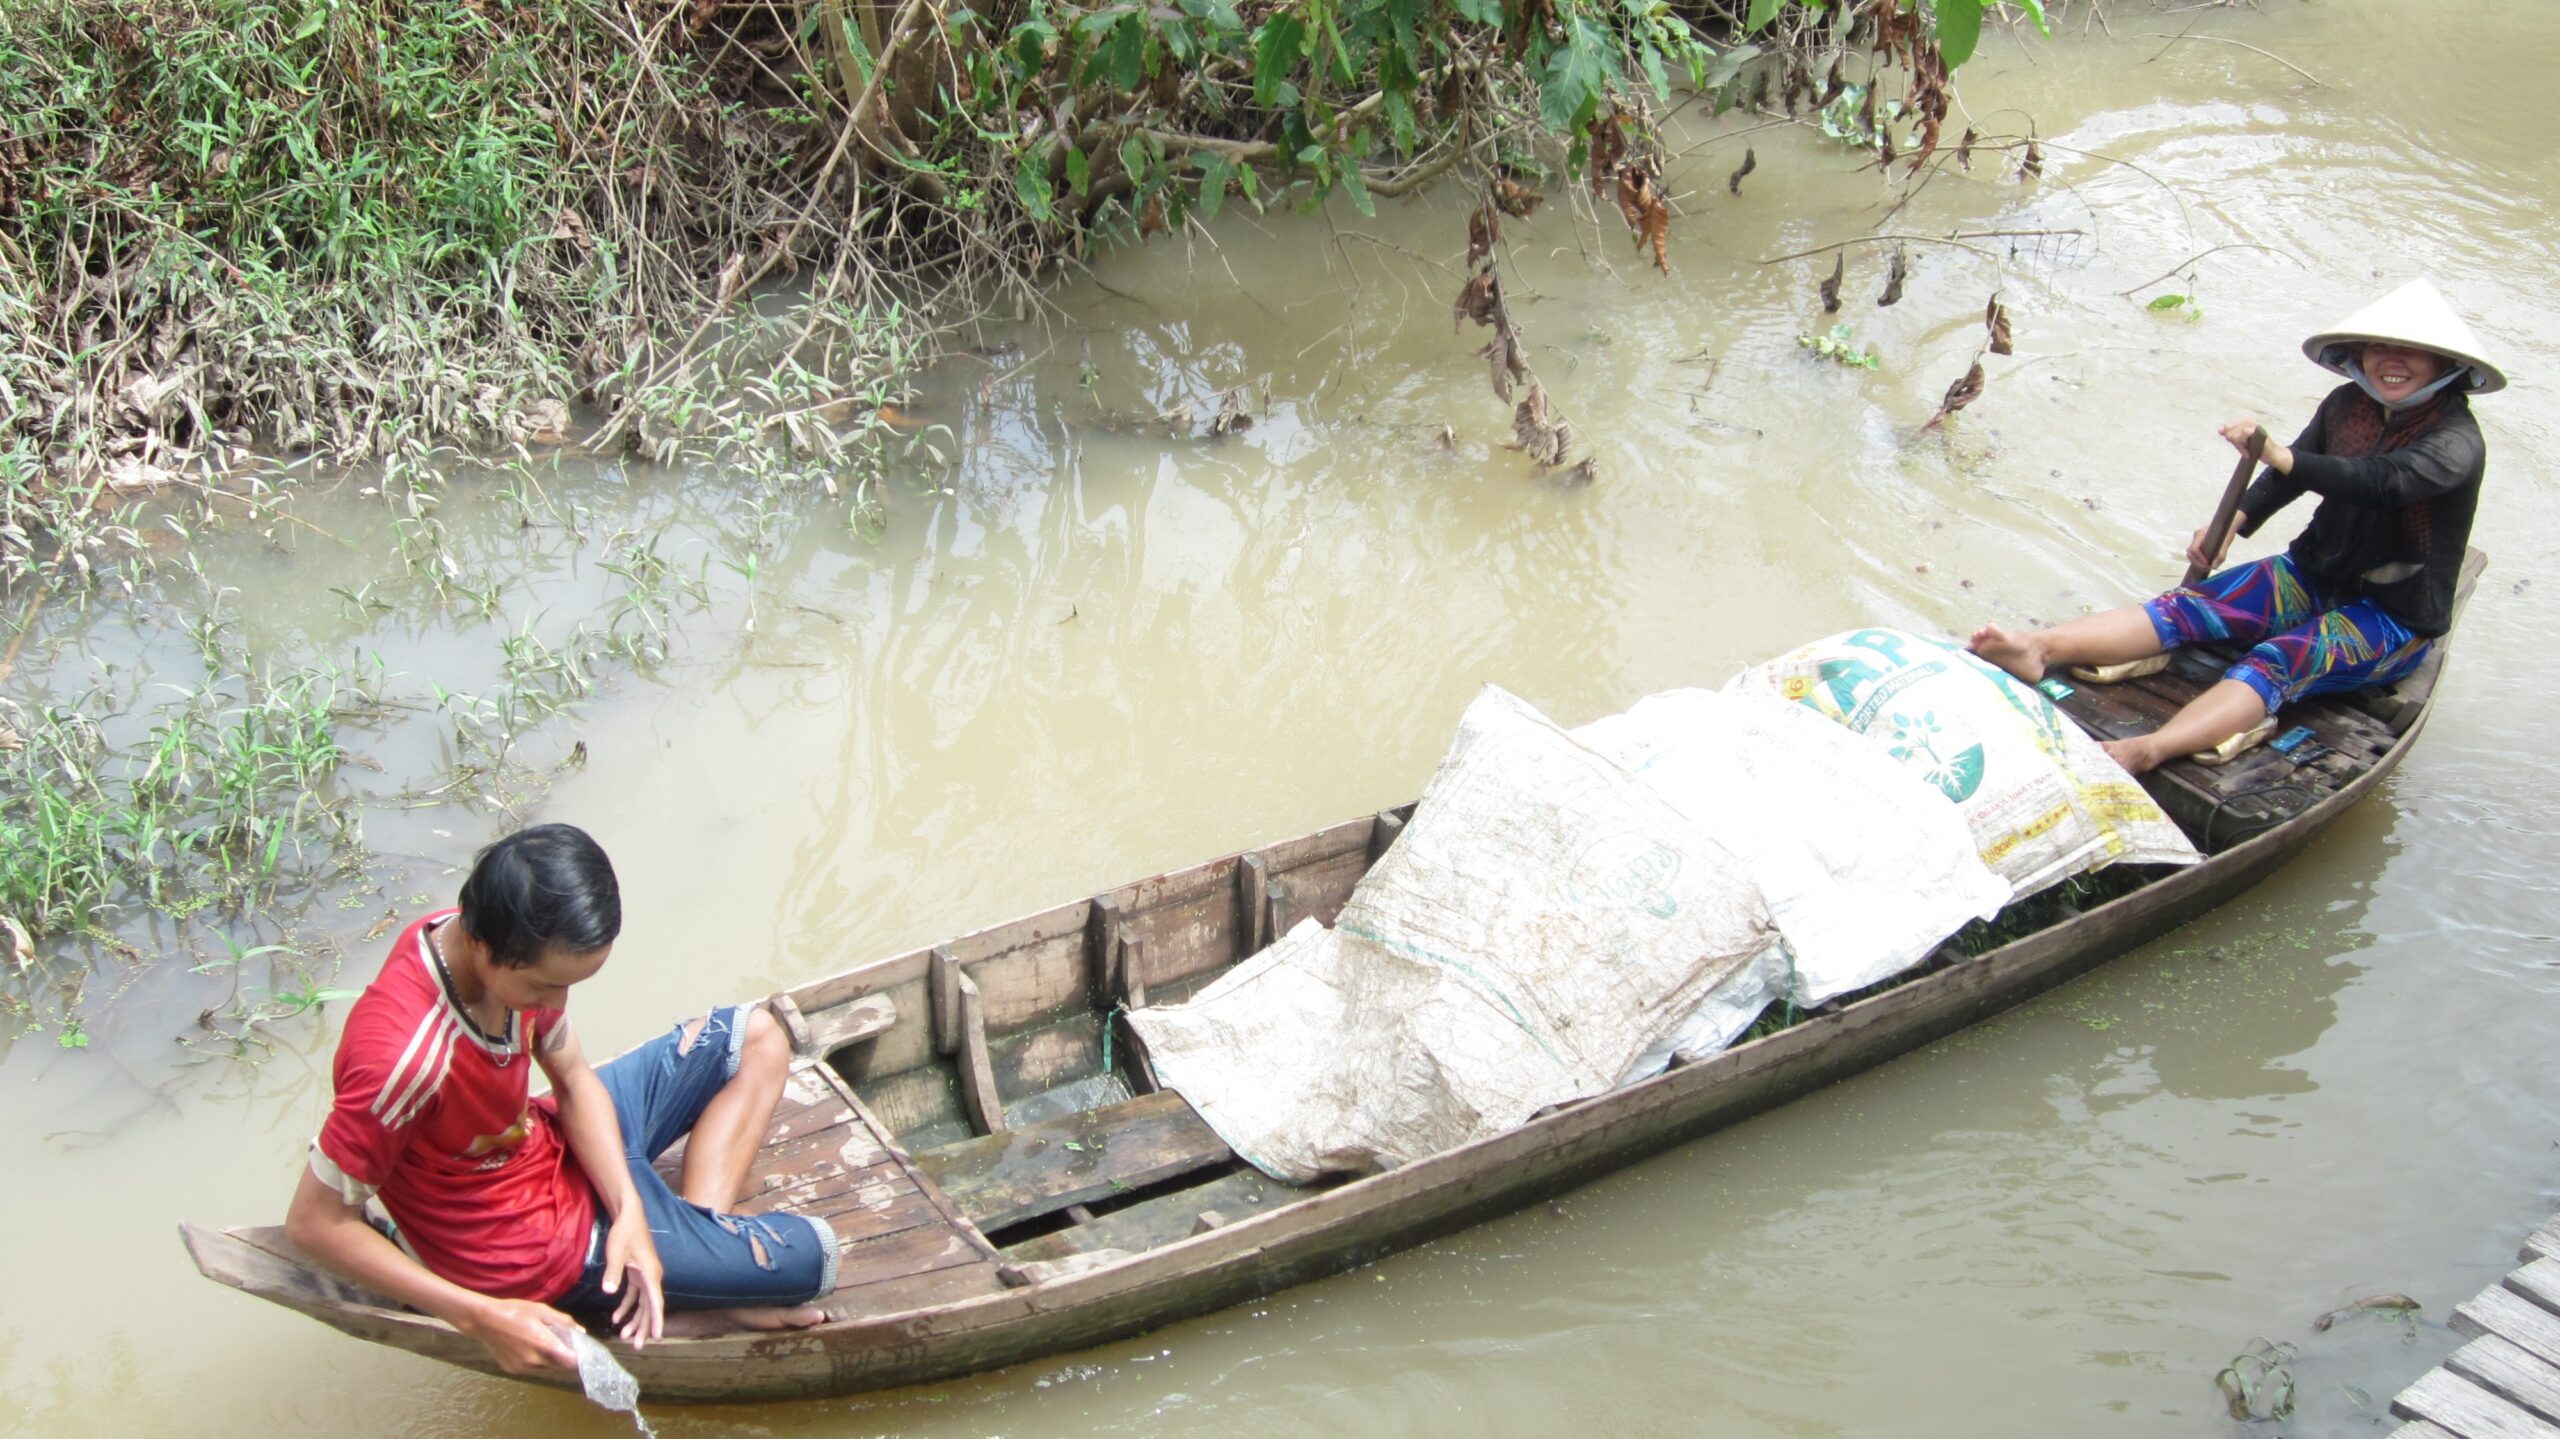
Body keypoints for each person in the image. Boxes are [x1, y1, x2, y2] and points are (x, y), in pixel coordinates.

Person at [283, 824, 833, 1375]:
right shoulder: (403, 1061)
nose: (557, 1003)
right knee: (813, 1259)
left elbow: (571, 1078)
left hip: (543, 1143)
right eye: (544, 989)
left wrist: (629, 1209)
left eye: (569, 986)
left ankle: (684, 1256)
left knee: (756, 1037)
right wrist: (480, 1317)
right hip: (522, 1240)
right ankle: (689, 1274)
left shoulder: (486, 941)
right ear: (480, 944)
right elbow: (314, 1223)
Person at [1969, 278, 2504, 773]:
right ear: (2359, 355)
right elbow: (2289, 473)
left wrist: (2278, 454)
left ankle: (2149, 747)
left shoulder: (2455, 441)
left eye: (2411, 351)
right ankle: (2038, 648)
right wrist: (2234, 523)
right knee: (2189, 607)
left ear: (2443, 364)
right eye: (2380, 347)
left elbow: (2382, 482)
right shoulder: (2348, 404)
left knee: (2278, 660)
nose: (2393, 361)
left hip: (2390, 616)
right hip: (2312, 574)